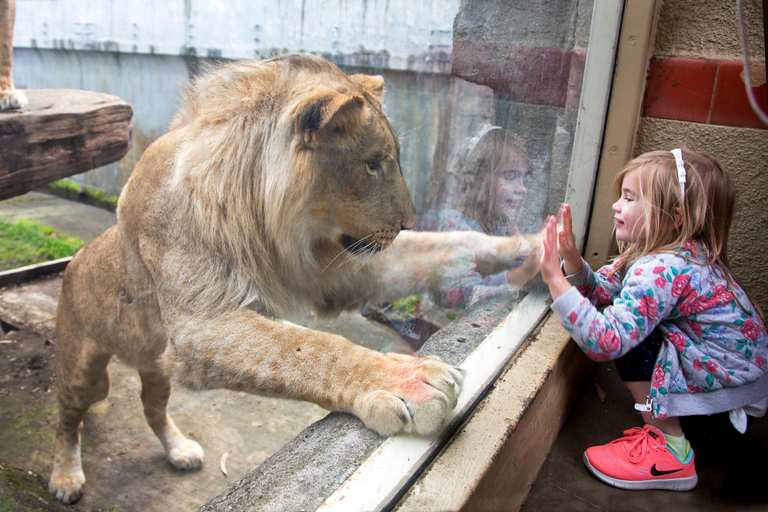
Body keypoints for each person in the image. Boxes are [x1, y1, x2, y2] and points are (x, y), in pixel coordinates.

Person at [539, 149, 768, 491]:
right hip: (731, 406)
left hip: (716, 419)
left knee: (629, 337)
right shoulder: (675, 251)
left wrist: (556, 281)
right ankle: (672, 436)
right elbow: (603, 291)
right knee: (628, 317)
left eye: (629, 198)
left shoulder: (662, 267)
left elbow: (606, 341)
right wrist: (572, 262)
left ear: (674, 217)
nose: (616, 205)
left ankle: (671, 452)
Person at [364, 125, 540, 347]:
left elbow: (523, 253)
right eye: (511, 177)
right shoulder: (453, 225)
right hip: (404, 331)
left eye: (525, 179)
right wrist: (520, 276)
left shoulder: (501, 224)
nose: (522, 189)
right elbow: (456, 296)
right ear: (478, 179)